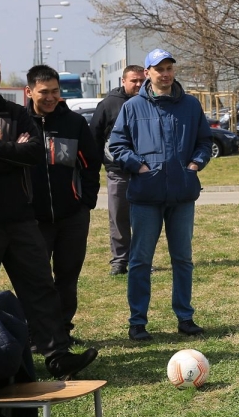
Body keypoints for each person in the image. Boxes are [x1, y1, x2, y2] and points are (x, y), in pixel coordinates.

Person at [0, 46, 97, 378]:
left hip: (20, 217)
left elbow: (35, 152)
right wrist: (11, 155)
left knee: (40, 288)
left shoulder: (15, 112)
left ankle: (57, 355)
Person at [109, 48, 212, 341]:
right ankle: (138, 322)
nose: (165, 74)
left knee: (183, 259)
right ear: (147, 73)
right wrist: (138, 166)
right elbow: (117, 144)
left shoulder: (191, 106)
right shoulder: (132, 107)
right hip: (145, 196)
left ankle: (185, 317)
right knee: (140, 261)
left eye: (169, 68)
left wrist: (195, 164)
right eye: (159, 69)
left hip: (182, 196)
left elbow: (205, 141)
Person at [25, 65, 102, 341]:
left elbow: (91, 164)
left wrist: (86, 203)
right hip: (33, 220)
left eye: (54, 91)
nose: (50, 97)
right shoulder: (18, 123)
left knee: (67, 279)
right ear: (29, 91)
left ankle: (63, 331)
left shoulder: (74, 123)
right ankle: (37, 334)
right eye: (43, 92)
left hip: (72, 216)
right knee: (37, 281)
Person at [89, 65, 146, 276]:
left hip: (144, 171)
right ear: (123, 81)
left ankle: (141, 261)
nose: (138, 84)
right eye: (134, 80)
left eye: (142, 80)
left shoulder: (150, 101)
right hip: (118, 171)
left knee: (143, 219)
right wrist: (96, 167)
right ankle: (120, 261)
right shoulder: (109, 104)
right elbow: (94, 137)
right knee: (118, 218)